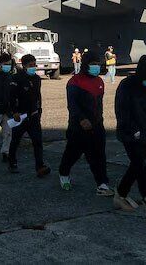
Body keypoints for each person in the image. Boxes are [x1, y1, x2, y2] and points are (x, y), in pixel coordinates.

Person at [113, 55, 146, 225]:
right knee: (140, 166)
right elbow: (122, 112)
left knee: (137, 165)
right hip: (131, 135)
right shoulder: (127, 86)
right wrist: (133, 131)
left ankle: (120, 194)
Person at [58, 50, 113, 196]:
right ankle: (63, 173)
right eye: (92, 64)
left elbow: (99, 105)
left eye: (97, 64)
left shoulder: (100, 81)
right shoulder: (75, 81)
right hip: (79, 126)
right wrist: (82, 119)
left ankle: (102, 184)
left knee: (99, 155)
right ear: (86, 65)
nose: (96, 67)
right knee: (73, 153)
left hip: (97, 125)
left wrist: (99, 121)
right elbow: (72, 105)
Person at [8, 54, 50, 177]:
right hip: (20, 116)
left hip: (33, 115)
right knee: (15, 140)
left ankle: (40, 166)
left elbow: (38, 95)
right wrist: (14, 112)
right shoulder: (16, 78)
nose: (33, 67)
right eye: (31, 65)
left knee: (37, 141)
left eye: (34, 65)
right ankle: (12, 162)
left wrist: (39, 110)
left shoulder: (37, 79)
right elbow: (11, 97)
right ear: (24, 65)